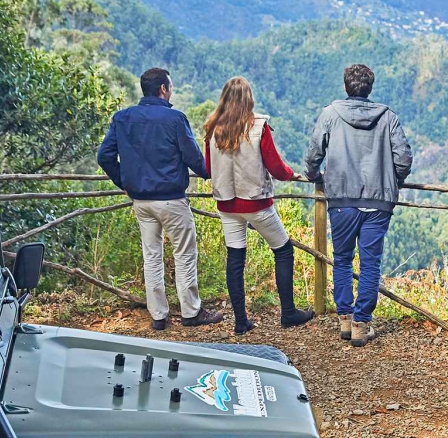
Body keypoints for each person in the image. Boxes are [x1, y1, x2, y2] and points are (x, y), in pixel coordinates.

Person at [97, 67, 223, 329]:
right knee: (184, 254)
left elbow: (104, 156)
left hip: (141, 202)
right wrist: (210, 172)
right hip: (171, 200)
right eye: (171, 86)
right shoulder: (175, 119)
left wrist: (124, 183)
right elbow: (193, 157)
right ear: (163, 89)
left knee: (151, 256)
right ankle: (190, 312)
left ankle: (158, 316)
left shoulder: (122, 118)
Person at [304, 63, 412, 347]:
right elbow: (403, 158)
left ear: (345, 86)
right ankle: (361, 324)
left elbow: (314, 153)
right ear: (370, 88)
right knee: (370, 263)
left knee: (342, 259)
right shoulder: (388, 117)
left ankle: (344, 317)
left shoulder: (331, 114)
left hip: (341, 199)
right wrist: (393, 180)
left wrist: (314, 175)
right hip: (378, 201)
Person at [202, 77, 317, 336]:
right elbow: (275, 166)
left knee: (235, 259)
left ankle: (241, 321)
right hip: (256, 203)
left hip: (227, 204)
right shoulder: (258, 127)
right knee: (283, 250)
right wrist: (291, 175)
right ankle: (288, 312)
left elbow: (208, 168)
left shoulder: (212, 128)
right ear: (249, 99)